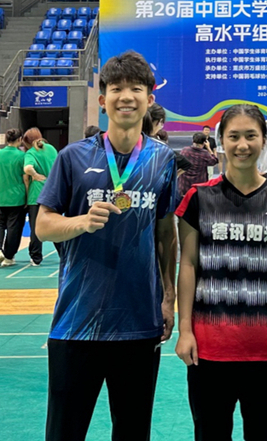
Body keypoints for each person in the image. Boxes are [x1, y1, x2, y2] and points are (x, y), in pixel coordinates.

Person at [36, 51, 179, 440]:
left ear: (149, 99)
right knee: (64, 432)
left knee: (133, 432)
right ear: (103, 100)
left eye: (136, 88)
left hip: (139, 322)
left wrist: (168, 298)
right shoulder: (72, 157)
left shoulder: (163, 160)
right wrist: (80, 222)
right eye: (116, 88)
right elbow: (43, 226)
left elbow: (165, 234)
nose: (126, 96)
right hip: (76, 322)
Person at [175, 104, 267, 440]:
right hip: (208, 348)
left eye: (251, 136)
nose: (242, 145)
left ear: (264, 140)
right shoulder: (198, 198)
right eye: (234, 136)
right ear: (221, 141)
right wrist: (185, 330)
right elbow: (188, 264)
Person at [0, 129, 27, 268]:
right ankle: (9, 256)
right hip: (16, 197)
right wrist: (27, 195)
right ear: (20, 139)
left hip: (0, 197)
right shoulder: (21, 156)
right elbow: (25, 178)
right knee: (14, 229)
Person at [22, 128, 59, 266]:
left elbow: (27, 168)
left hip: (36, 195)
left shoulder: (31, 152)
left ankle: (36, 257)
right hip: (53, 192)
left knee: (36, 227)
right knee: (55, 226)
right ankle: (64, 253)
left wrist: (35, 175)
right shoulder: (51, 149)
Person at [178, 132, 218, 198]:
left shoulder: (184, 151)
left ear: (193, 141)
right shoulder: (205, 154)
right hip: (199, 188)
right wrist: (208, 148)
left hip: (184, 186)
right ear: (204, 143)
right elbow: (214, 161)